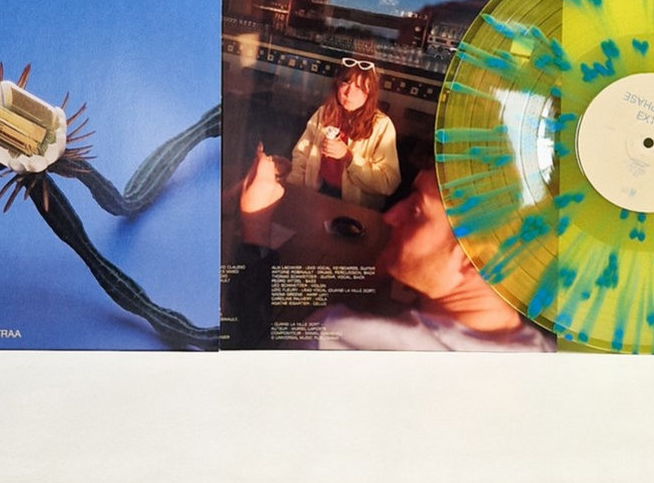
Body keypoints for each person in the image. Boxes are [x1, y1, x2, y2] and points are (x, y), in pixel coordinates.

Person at [231, 149, 554, 352]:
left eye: (416, 211)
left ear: (477, 261)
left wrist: (255, 225)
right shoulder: (548, 353)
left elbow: (249, 374)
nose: (390, 216)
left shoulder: (336, 339)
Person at [289, 58, 399, 209]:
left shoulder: (382, 125)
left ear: (370, 92)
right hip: (318, 191)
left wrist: (348, 157)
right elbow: (302, 154)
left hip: (356, 206)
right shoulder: (324, 112)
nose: (349, 93)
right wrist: (293, 190)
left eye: (359, 87)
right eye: (345, 83)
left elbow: (388, 183)